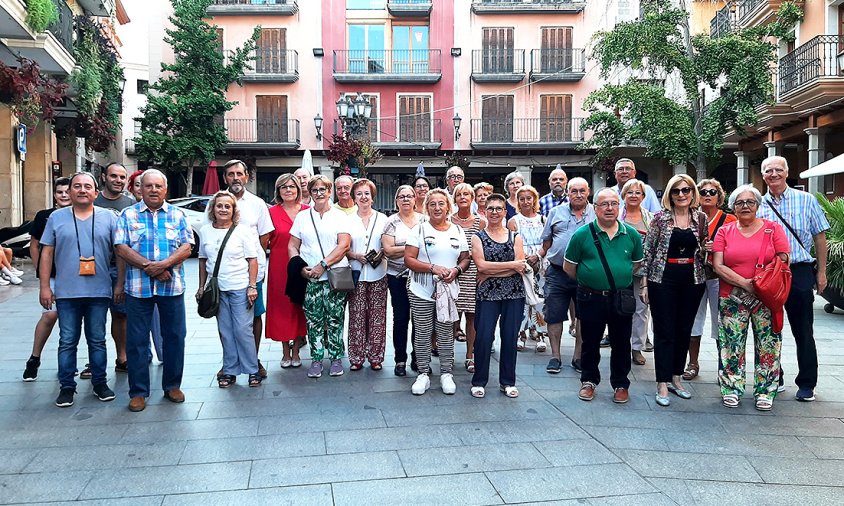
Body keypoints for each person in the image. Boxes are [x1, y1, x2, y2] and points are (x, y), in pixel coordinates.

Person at [39, 172, 120, 407]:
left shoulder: (109, 218)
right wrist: (45, 287)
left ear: (96, 192)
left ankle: (100, 383)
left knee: (97, 340)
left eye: (87, 186)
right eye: (77, 186)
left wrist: (120, 283)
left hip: (99, 291)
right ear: (70, 191)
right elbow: (47, 254)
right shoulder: (56, 218)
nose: (82, 190)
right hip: (66, 292)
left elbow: (120, 253)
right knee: (67, 340)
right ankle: (67, 386)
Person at [115, 169, 193, 412]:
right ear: (140, 188)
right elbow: (121, 247)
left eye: (158, 186)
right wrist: (151, 268)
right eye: (148, 186)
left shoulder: (178, 215)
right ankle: (138, 391)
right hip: (139, 289)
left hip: (172, 288)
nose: (153, 190)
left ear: (165, 189)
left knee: (174, 337)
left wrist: (164, 266)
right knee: (136, 341)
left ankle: (172, 386)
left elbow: (187, 246)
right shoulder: (128, 215)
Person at [757, 155, 829, 402]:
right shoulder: (757, 204)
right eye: (768, 170)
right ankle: (774, 377)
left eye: (778, 169)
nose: (773, 174)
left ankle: (807, 383)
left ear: (787, 172)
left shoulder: (806, 200)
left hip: (798, 270)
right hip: (768, 273)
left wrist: (821, 272)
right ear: (763, 174)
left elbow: (820, 237)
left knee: (803, 329)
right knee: (769, 328)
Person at [713, 185, 789, 410]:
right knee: (731, 344)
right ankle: (731, 388)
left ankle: (765, 390)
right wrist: (746, 284)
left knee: (768, 344)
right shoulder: (724, 231)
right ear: (733, 207)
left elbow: (783, 259)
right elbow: (718, 265)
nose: (745, 206)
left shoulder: (772, 229)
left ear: (757, 205)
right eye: (739, 202)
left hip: (766, 298)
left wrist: (761, 284)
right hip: (732, 297)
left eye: (750, 202)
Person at [564, 188, 643, 404]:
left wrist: (617, 278)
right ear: (595, 208)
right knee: (590, 341)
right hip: (590, 296)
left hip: (621, 297)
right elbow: (569, 267)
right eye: (604, 204)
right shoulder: (582, 235)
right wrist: (591, 279)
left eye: (613, 204)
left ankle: (620, 384)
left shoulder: (631, 235)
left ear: (620, 207)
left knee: (621, 342)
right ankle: (588, 381)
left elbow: (636, 265)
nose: (609, 208)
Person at [641, 174, 706, 407]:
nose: (681, 195)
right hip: (663, 279)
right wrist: (645, 283)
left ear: (692, 193)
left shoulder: (700, 218)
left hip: (693, 279)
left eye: (686, 190)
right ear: (669, 194)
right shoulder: (660, 219)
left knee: (683, 330)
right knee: (664, 331)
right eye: (676, 191)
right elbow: (648, 252)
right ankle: (662, 382)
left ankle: (677, 378)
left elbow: (702, 250)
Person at [405, 188, 470, 395]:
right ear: (427, 207)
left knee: (445, 332)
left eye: (441, 203)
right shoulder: (419, 229)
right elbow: (409, 259)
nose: (437, 208)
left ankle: (446, 373)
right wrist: (433, 268)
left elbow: (465, 258)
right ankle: (423, 373)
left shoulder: (457, 231)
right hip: (421, 290)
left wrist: (456, 270)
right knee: (423, 332)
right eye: (432, 204)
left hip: (448, 291)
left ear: (448, 206)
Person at [288, 175, 351, 379]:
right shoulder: (302, 217)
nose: (319, 193)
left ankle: (335, 358)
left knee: (335, 318)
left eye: (323, 189)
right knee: (313, 320)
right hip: (310, 277)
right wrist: (300, 267)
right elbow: (292, 245)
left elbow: (344, 245)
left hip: (334, 275)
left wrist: (322, 265)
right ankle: (316, 359)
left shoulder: (340, 216)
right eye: (315, 190)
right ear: (310, 193)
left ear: (329, 191)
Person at [217, 160, 274, 378]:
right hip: (224, 274)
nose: (235, 178)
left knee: (254, 315)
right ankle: (230, 363)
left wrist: (251, 261)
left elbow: (265, 235)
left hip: (252, 271)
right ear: (225, 178)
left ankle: (253, 359)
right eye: (230, 174)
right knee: (226, 321)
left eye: (239, 173)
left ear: (247, 176)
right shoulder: (218, 202)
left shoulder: (257, 203)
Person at [197, 191, 260, 388]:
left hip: (240, 286)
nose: (223, 209)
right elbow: (202, 260)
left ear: (234, 210)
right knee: (225, 331)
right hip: (218, 289)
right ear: (213, 209)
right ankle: (230, 370)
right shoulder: (205, 230)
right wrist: (201, 286)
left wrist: (252, 286)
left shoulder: (242, 231)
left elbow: (253, 260)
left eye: (227, 206)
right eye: (219, 206)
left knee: (243, 329)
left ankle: (252, 370)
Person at [471, 193, 526, 399]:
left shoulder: (515, 236)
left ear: (505, 212)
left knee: (510, 337)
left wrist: (492, 271)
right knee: (484, 337)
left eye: (498, 208)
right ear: (484, 211)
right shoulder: (479, 237)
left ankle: (508, 381)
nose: (494, 212)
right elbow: (481, 265)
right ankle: (479, 380)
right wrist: (511, 266)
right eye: (490, 208)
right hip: (487, 294)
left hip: (514, 294)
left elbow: (520, 267)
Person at [539, 177, 595, 373]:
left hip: (586, 273)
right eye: (574, 191)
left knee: (583, 316)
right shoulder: (555, 212)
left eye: (582, 190)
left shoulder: (597, 214)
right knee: (554, 315)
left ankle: (578, 356)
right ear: (567, 192)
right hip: (557, 272)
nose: (578, 194)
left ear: (588, 191)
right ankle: (555, 356)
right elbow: (546, 241)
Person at [685, 178, 736, 380]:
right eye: (703, 191)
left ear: (719, 196)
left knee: (721, 321)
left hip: (718, 276)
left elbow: (737, 247)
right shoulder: (690, 217)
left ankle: (723, 365)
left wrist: (718, 247)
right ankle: (692, 363)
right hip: (695, 275)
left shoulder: (730, 220)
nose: (707, 195)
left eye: (712, 192)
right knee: (693, 319)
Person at [22, 177, 71, 381]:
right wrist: (40, 269)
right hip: (51, 276)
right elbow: (34, 245)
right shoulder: (44, 216)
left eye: (67, 191)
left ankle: (68, 364)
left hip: (75, 277)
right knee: (50, 316)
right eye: (60, 192)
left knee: (73, 322)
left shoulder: (82, 213)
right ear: (54, 194)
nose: (64, 195)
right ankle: (34, 358)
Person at [93, 162, 135, 375]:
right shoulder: (92, 200)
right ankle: (94, 360)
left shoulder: (131, 203)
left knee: (121, 315)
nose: (118, 180)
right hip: (94, 268)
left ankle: (122, 357)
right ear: (103, 177)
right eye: (114, 176)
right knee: (94, 316)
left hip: (121, 269)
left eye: (122, 177)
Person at [382, 185, 424, 376]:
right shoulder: (391, 222)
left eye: (409, 196)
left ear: (415, 199)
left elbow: (430, 245)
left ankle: (418, 358)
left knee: (420, 319)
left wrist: (404, 248)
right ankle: (400, 360)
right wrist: (412, 247)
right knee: (401, 318)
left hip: (420, 276)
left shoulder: (425, 220)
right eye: (402, 196)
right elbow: (388, 251)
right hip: (396, 277)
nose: (406, 199)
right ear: (396, 200)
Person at [346, 179, 388, 370]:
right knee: (356, 316)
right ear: (354, 197)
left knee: (378, 316)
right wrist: (355, 255)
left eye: (367, 193)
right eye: (359, 194)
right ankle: (356, 357)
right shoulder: (346, 220)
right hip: (355, 273)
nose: (363, 197)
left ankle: (376, 356)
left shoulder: (383, 219)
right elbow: (341, 247)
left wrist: (381, 254)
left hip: (378, 273)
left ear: (372, 197)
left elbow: (388, 245)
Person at [266, 174, 308, 368]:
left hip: (303, 266)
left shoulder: (308, 212)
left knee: (300, 306)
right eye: (284, 187)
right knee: (282, 307)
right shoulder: (271, 213)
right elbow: (263, 242)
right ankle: (285, 351)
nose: (288, 190)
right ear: (278, 191)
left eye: (292, 186)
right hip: (279, 266)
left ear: (298, 189)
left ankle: (297, 349)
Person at [619, 179, 654, 365]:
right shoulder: (616, 216)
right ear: (623, 195)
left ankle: (637, 348)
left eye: (637, 193)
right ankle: (620, 345)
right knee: (619, 308)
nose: (633, 196)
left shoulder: (650, 218)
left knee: (641, 309)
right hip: (619, 270)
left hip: (643, 271)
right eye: (630, 192)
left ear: (643, 196)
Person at [508, 185, 547, 352]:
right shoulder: (513, 221)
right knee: (523, 300)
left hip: (540, 263)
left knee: (539, 300)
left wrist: (537, 256)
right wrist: (523, 259)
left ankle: (539, 334)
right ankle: (521, 334)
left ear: (534, 200)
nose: (525, 201)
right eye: (521, 198)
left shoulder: (543, 219)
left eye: (528, 198)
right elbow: (510, 243)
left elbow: (547, 242)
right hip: (521, 263)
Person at [451, 183, 485, 371]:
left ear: (472, 198)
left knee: (472, 316)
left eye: (467, 194)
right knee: (450, 316)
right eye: (459, 194)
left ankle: (470, 355)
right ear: (454, 199)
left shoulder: (481, 222)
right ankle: (448, 354)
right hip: (453, 272)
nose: (463, 197)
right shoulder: (448, 220)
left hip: (474, 273)